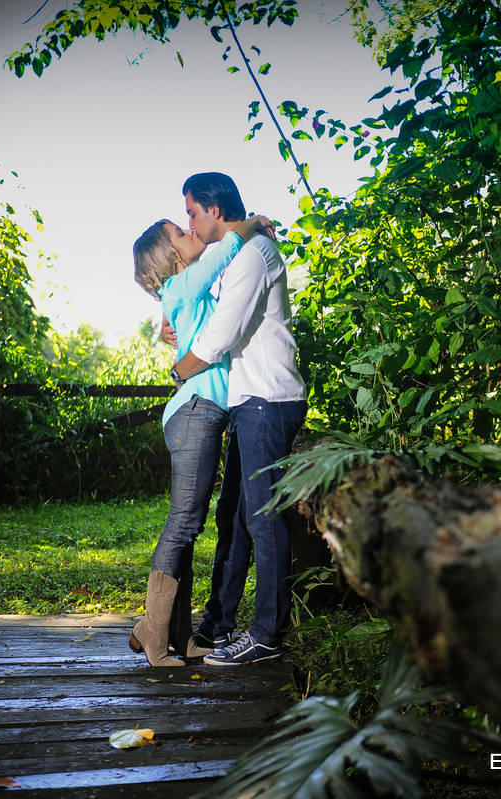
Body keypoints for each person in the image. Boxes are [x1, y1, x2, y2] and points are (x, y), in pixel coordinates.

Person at [166, 171, 307, 667]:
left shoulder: (253, 255)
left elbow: (221, 334)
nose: (188, 221)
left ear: (214, 209)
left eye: (190, 212)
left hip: (268, 400)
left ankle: (267, 634)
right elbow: (209, 309)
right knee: (237, 517)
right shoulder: (236, 256)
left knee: (261, 519)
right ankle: (218, 625)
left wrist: (182, 367)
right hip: (250, 402)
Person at [129, 211, 269, 667]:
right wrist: (252, 222)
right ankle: (153, 633)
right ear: (171, 256)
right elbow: (227, 248)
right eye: (180, 233)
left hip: (200, 413)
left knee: (189, 528)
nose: (191, 233)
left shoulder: (187, 292)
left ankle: (180, 636)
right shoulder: (185, 286)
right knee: (183, 523)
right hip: (195, 412)